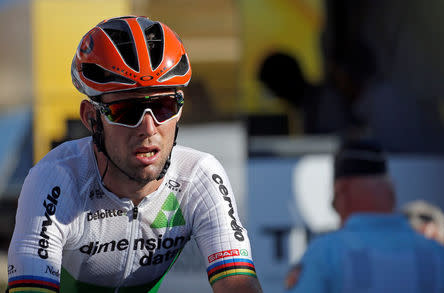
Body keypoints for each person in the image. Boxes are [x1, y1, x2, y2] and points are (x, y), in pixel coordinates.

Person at [7, 16, 263, 293]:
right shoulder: (57, 178)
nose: (148, 128)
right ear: (91, 117)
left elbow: (238, 286)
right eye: (126, 111)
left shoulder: (198, 176)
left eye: (164, 106)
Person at [286, 139, 444, 292]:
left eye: (334, 204)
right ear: (391, 192)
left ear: (341, 191)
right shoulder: (441, 257)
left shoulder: (325, 255)